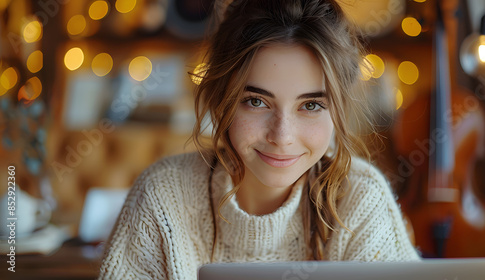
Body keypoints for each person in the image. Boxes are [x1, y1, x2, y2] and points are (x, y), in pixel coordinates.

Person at [98, 0, 421, 279]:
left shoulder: (360, 202)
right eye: (256, 101)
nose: (281, 136)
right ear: (220, 98)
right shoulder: (164, 199)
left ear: (337, 111)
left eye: (310, 105)